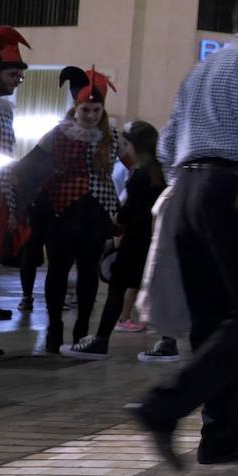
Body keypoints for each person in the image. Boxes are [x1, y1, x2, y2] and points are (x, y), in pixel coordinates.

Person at [129, 0, 238, 470]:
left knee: (213, 320)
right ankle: (164, 405)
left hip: (188, 190)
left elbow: (166, 145)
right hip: (237, 192)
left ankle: (222, 434)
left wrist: (192, 181)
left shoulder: (199, 73)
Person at [10, 68, 121, 354]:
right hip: (61, 213)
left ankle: (83, 330)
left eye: (97, 110)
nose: (91, 115)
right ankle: (54, 329)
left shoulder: (112, 137)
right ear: (76, 107)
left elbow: (137, 164)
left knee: (88, 274)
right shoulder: (58, 134)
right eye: (86, 109)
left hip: (96, 214)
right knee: (57, 272)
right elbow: (29, 164)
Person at [61, 121, 166, 358]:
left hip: (135, 241)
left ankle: (100, 341)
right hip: (154, 240)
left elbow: (128, 211)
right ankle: (168, 341)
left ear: (131, 144)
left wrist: (116, 217)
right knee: (158, 291)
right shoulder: (159, 172)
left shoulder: (139, 174)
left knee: (116, 291)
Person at [0, 27, 30, 333]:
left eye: (19, 76)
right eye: (12, 75)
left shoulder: (5, 111)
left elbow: (5, 157)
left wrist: (11, 205)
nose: (16, 82)